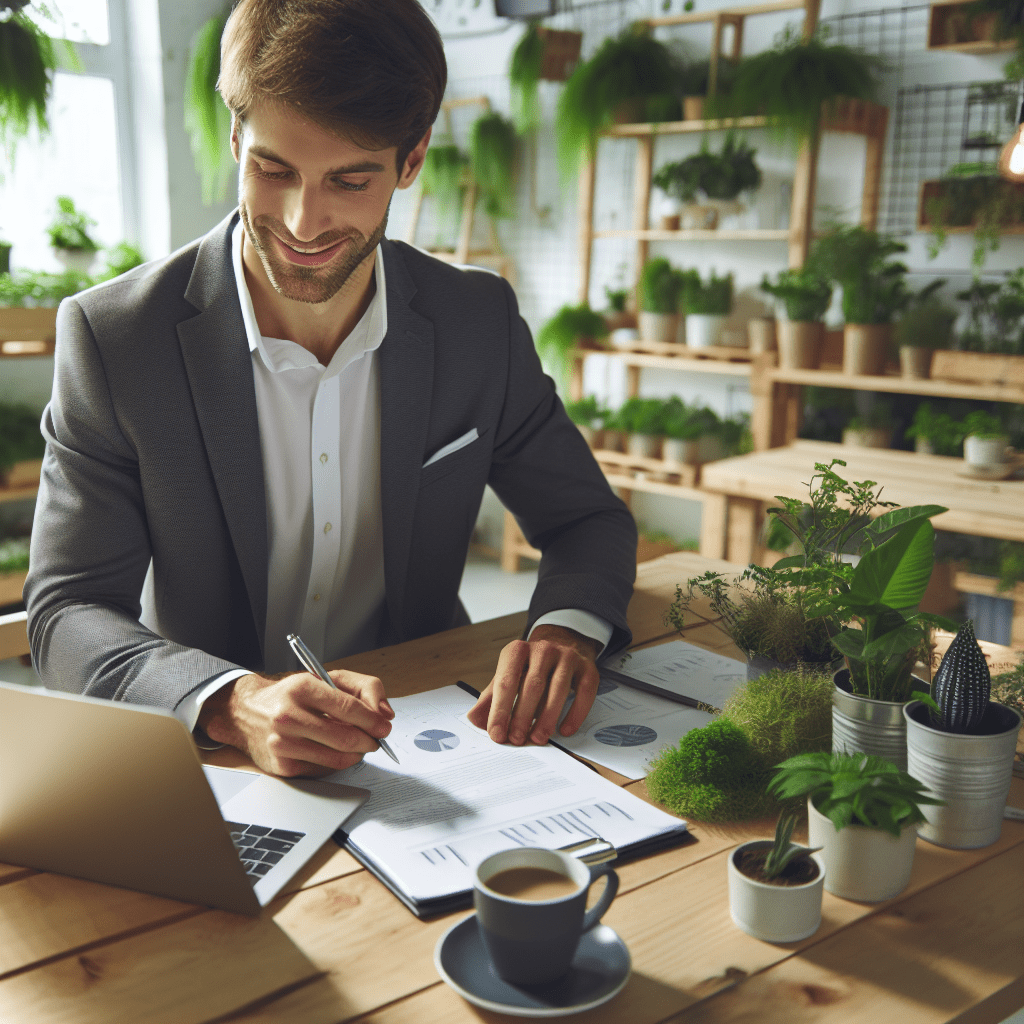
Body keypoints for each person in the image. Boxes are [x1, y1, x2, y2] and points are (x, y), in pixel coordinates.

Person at [25, 0, 637, 778]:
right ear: (238, 137)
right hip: (222, 759)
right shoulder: (115, 339)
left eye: (350, 180)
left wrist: (564, 633)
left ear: (410, 161)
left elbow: (586, 519)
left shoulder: (477, 322)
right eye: (273, 170)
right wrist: (228, 702)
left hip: (435, 738)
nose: (303, 221)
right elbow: (68, 613)